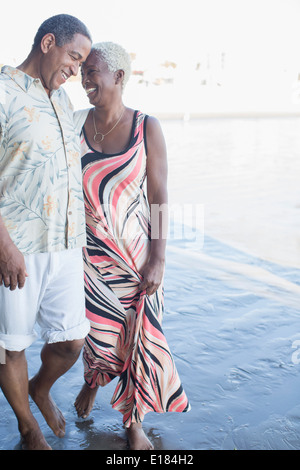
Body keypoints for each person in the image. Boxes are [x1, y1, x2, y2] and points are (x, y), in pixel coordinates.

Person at [74, 42, 190, 450]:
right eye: (83, 71)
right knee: (97, 336)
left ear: (118, 77)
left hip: (137, 257)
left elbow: (159, 196)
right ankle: (92, 381)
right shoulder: (75, 125)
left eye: (93, 72)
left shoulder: (146, 126)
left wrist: (158, 258)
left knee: (139, 336)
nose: (84, 79)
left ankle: (133, 421)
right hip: (89, 259)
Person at [0, 14, 92, 450]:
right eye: (74, 57)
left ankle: (40, 388)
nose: (77, 69)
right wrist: (3, 245)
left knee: (73, 341)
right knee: (11, 346)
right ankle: (27, 427)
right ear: (48, 42)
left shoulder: (63, 102)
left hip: (67, 245)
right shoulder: (2, 90)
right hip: (16, 246)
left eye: (82, 62)